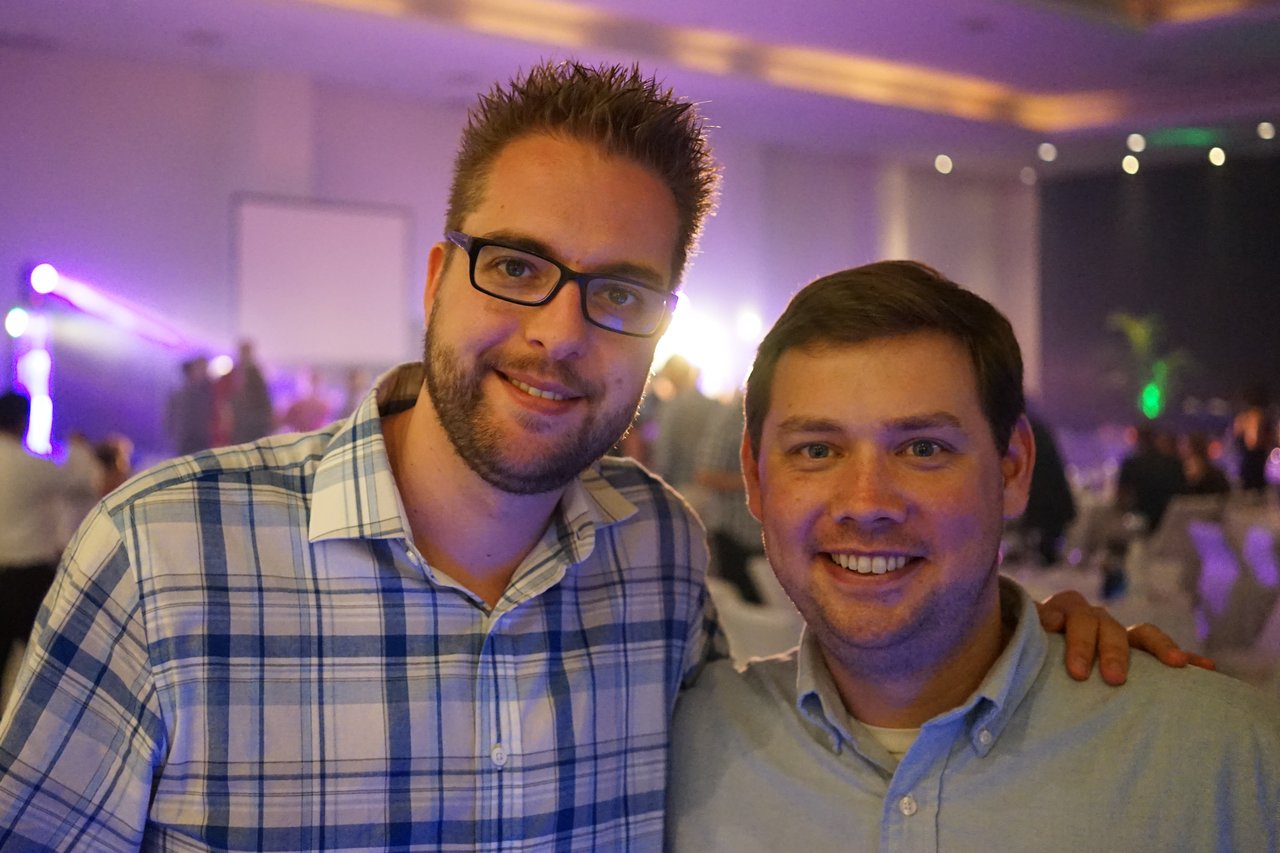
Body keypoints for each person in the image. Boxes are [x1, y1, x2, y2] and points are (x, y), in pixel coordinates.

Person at [0, 64, 1185, 850]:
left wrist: (1033, 639)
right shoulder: (165, 558)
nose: (558, 332)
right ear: (438, 279)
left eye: (616, 291)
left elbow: (825, 722)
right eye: (516, 266)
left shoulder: (654, 552)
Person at [666, 262, 1279, 851]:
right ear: (753, 475)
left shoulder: (1216, 759)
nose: (866, 502)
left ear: (1014, 468)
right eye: (817, 451)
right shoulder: (678, 752)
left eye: (923, 447)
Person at [0, 391, 100, 708]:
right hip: (28, 578)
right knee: (46, 665)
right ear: (22, 422)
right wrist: (80, 448)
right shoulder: (27, 466)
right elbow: (77, 479)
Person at [164, 355, 214, 456]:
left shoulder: (210, 393)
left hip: (201, 439)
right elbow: (170, 417)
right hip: (186, 440)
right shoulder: (180, 394)